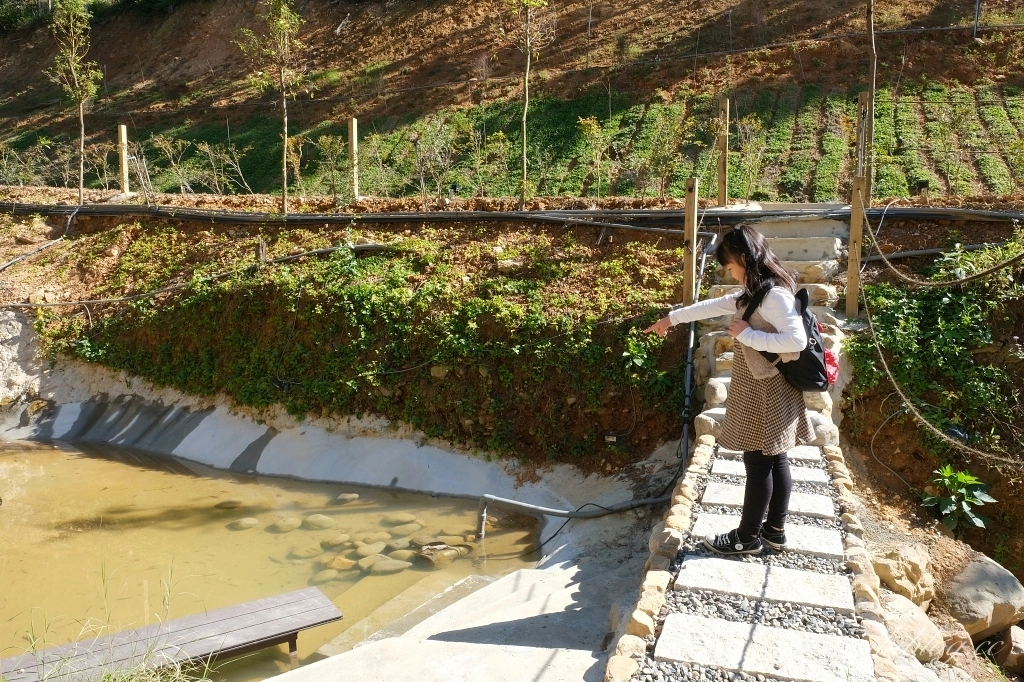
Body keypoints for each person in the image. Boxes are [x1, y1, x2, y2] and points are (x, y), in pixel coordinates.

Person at [644, 224, 814, 556]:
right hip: (767, 385)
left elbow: (796, 341)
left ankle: (746, 537)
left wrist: (746, 334)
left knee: (759, 461)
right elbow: (715, 305)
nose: (730, 272)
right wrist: (671, 319)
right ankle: (774, 532)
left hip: (767, 390)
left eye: (730, 265)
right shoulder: (757, 292)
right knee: (775, 458)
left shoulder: (774, 296)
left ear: (744, 258)